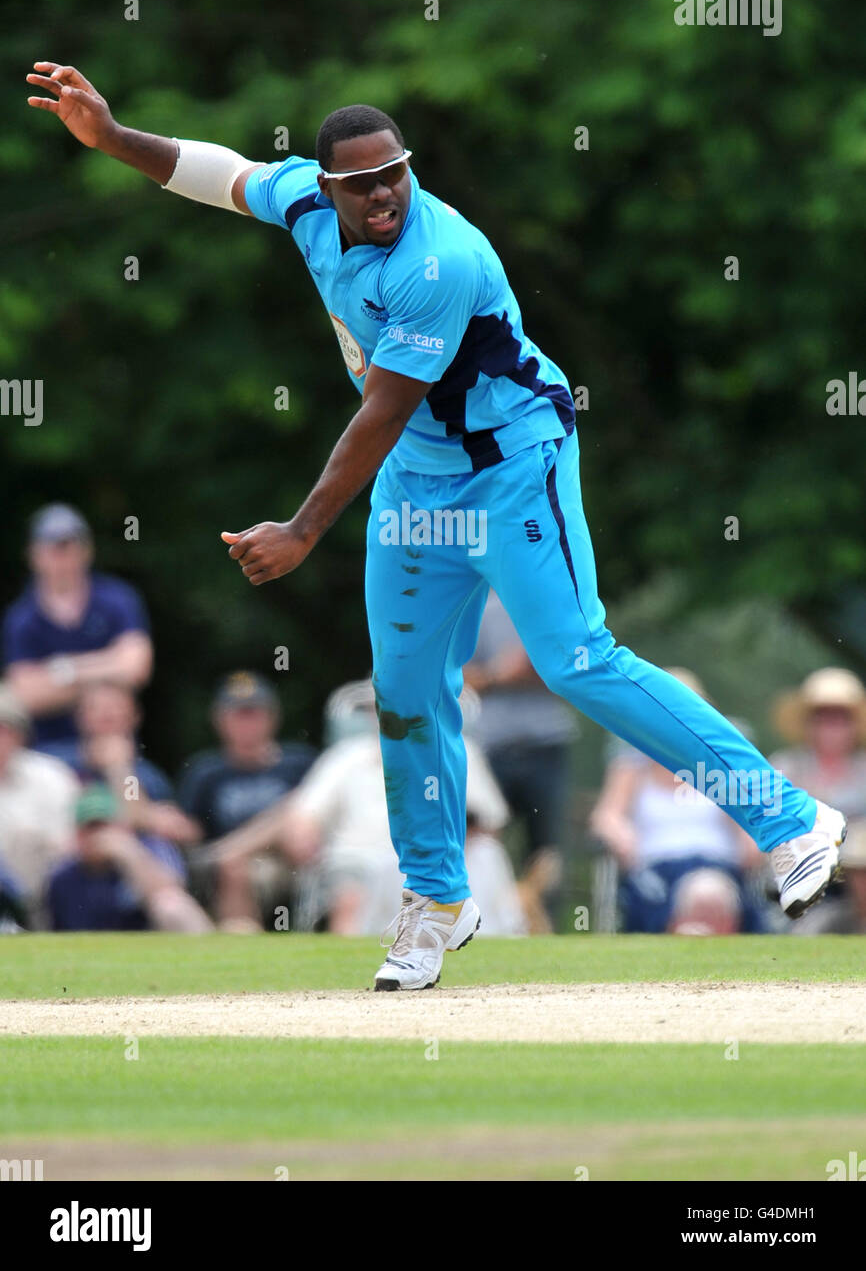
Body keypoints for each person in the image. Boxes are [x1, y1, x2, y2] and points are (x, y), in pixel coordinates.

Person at [27, 61, 846, 989]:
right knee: (407, 690)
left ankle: (789, 820)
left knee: (578, 657)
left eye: (396, 173)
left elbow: (381, 410)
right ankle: (436, 900)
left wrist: (301, 530)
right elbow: (217, 171)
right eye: (362, 181)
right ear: (327, 184)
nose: (383, 193)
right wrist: (113, 135)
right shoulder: (305, 201)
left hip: (511, 466)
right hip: (417, 484)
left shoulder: (437, 259)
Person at [209, 679, 527, 936]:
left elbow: (488, 822)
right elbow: (304, 814)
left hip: (437, 861)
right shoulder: (346, 757)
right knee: (350, 900)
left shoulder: (460, 753)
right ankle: (351, 990)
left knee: (483, 859)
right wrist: (303, 835)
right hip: (357, 862)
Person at [589, 670, 766, 935]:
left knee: (708, 891)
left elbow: (751, 830)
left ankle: (694, 941)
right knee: (674, 894)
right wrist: (620, 834)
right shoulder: (634, 764)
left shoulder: (722, 768)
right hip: (654, 871)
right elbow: (605, 817)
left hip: (718, 868)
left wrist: (749, 839)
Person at [464, 588, 577, 928]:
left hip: (547, 741)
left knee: (546, 850)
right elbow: (458, 675)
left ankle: (544, 929)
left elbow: (576, 671)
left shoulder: (550, 603)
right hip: (490, 745)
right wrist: (502, 674)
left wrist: (538, 668)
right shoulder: (470, 605)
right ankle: (482, 922)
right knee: (482, 837)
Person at [2, 503, 153, 756]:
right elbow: (25, 695)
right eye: (53, 549)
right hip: (46, 755)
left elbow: (136, 668)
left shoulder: (119, 599)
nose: (63, 558)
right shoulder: (20, 618)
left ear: (87, 551)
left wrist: (62, 670)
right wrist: (107, 670)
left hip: (116, 748)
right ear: (33, 555)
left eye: (70, 547)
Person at [178, 671, 315, 926]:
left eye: (254, 714)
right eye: (238, 715)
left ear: (272, 717)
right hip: (238, 868)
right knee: (234, 866)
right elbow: (190, 829)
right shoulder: (205, 771)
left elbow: (314, 815)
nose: (247, 724)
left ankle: (233, 849)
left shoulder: (299, 763)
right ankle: (240, 935)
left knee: (293, 813)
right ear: (220, 720)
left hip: (293, 857)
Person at [770, 667, 866, 933]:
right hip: (804, 871)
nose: (831, 727)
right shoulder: (785, 767)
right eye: (822, 718)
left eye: (840, 718)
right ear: (809, 723)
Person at [46, 783, 212, 932]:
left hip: (152, 940)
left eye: (104, 826)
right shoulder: (64, 874)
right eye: (91, 828)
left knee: (171, 904)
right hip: (90, 949)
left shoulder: (149, 847)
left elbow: (173, 893)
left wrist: (129, 855)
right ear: (78, 834)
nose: (98, 836)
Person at [56, 680, 199, 846]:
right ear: (79, 717)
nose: (107, 714)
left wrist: (121, 770)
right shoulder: (56, 763)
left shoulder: (148, 776)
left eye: (116, 706)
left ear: (135, 716)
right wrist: (149, 815)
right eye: (96, 707)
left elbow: (141, 821)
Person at [0, 681, 78, 926]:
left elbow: (71, 844)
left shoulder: (51, 776)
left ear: (20, 736)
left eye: (4, 730)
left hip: (43, 891)